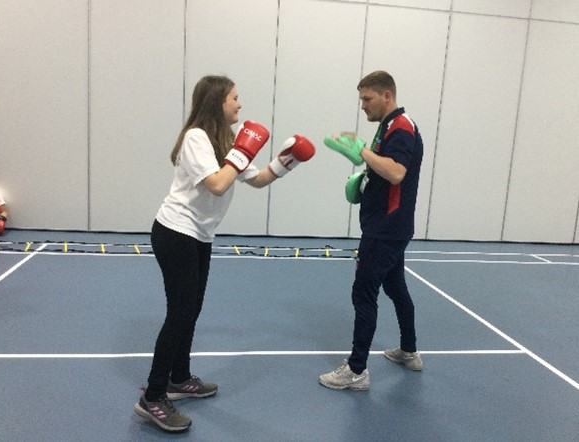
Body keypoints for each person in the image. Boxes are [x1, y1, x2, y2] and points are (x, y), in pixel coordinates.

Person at [134, 75, 315, 432]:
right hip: (175, 232)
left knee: (192, 309)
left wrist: (287, 161)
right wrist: (242, 151)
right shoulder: (196, 138)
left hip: (199, 235)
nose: (240, 104)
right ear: (217, 101)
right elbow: (217, 185)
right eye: (234, 97)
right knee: (180, 312)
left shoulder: (226, 141)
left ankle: (179, 377)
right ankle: (152, 397)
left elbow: (258, 179)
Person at [319, 70, 424, 391]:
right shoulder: (388, 127)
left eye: (367, 99)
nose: (362, 105)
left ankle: (356, 370)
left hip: (385, 229)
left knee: (363, 293)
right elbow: (382, 169)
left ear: (387, 96)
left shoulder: (402, 129)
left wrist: (362, 151)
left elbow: (396, 173)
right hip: (389, 225)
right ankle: (409, 351)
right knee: (395, 288)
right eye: (361, 99)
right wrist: (363, 179)